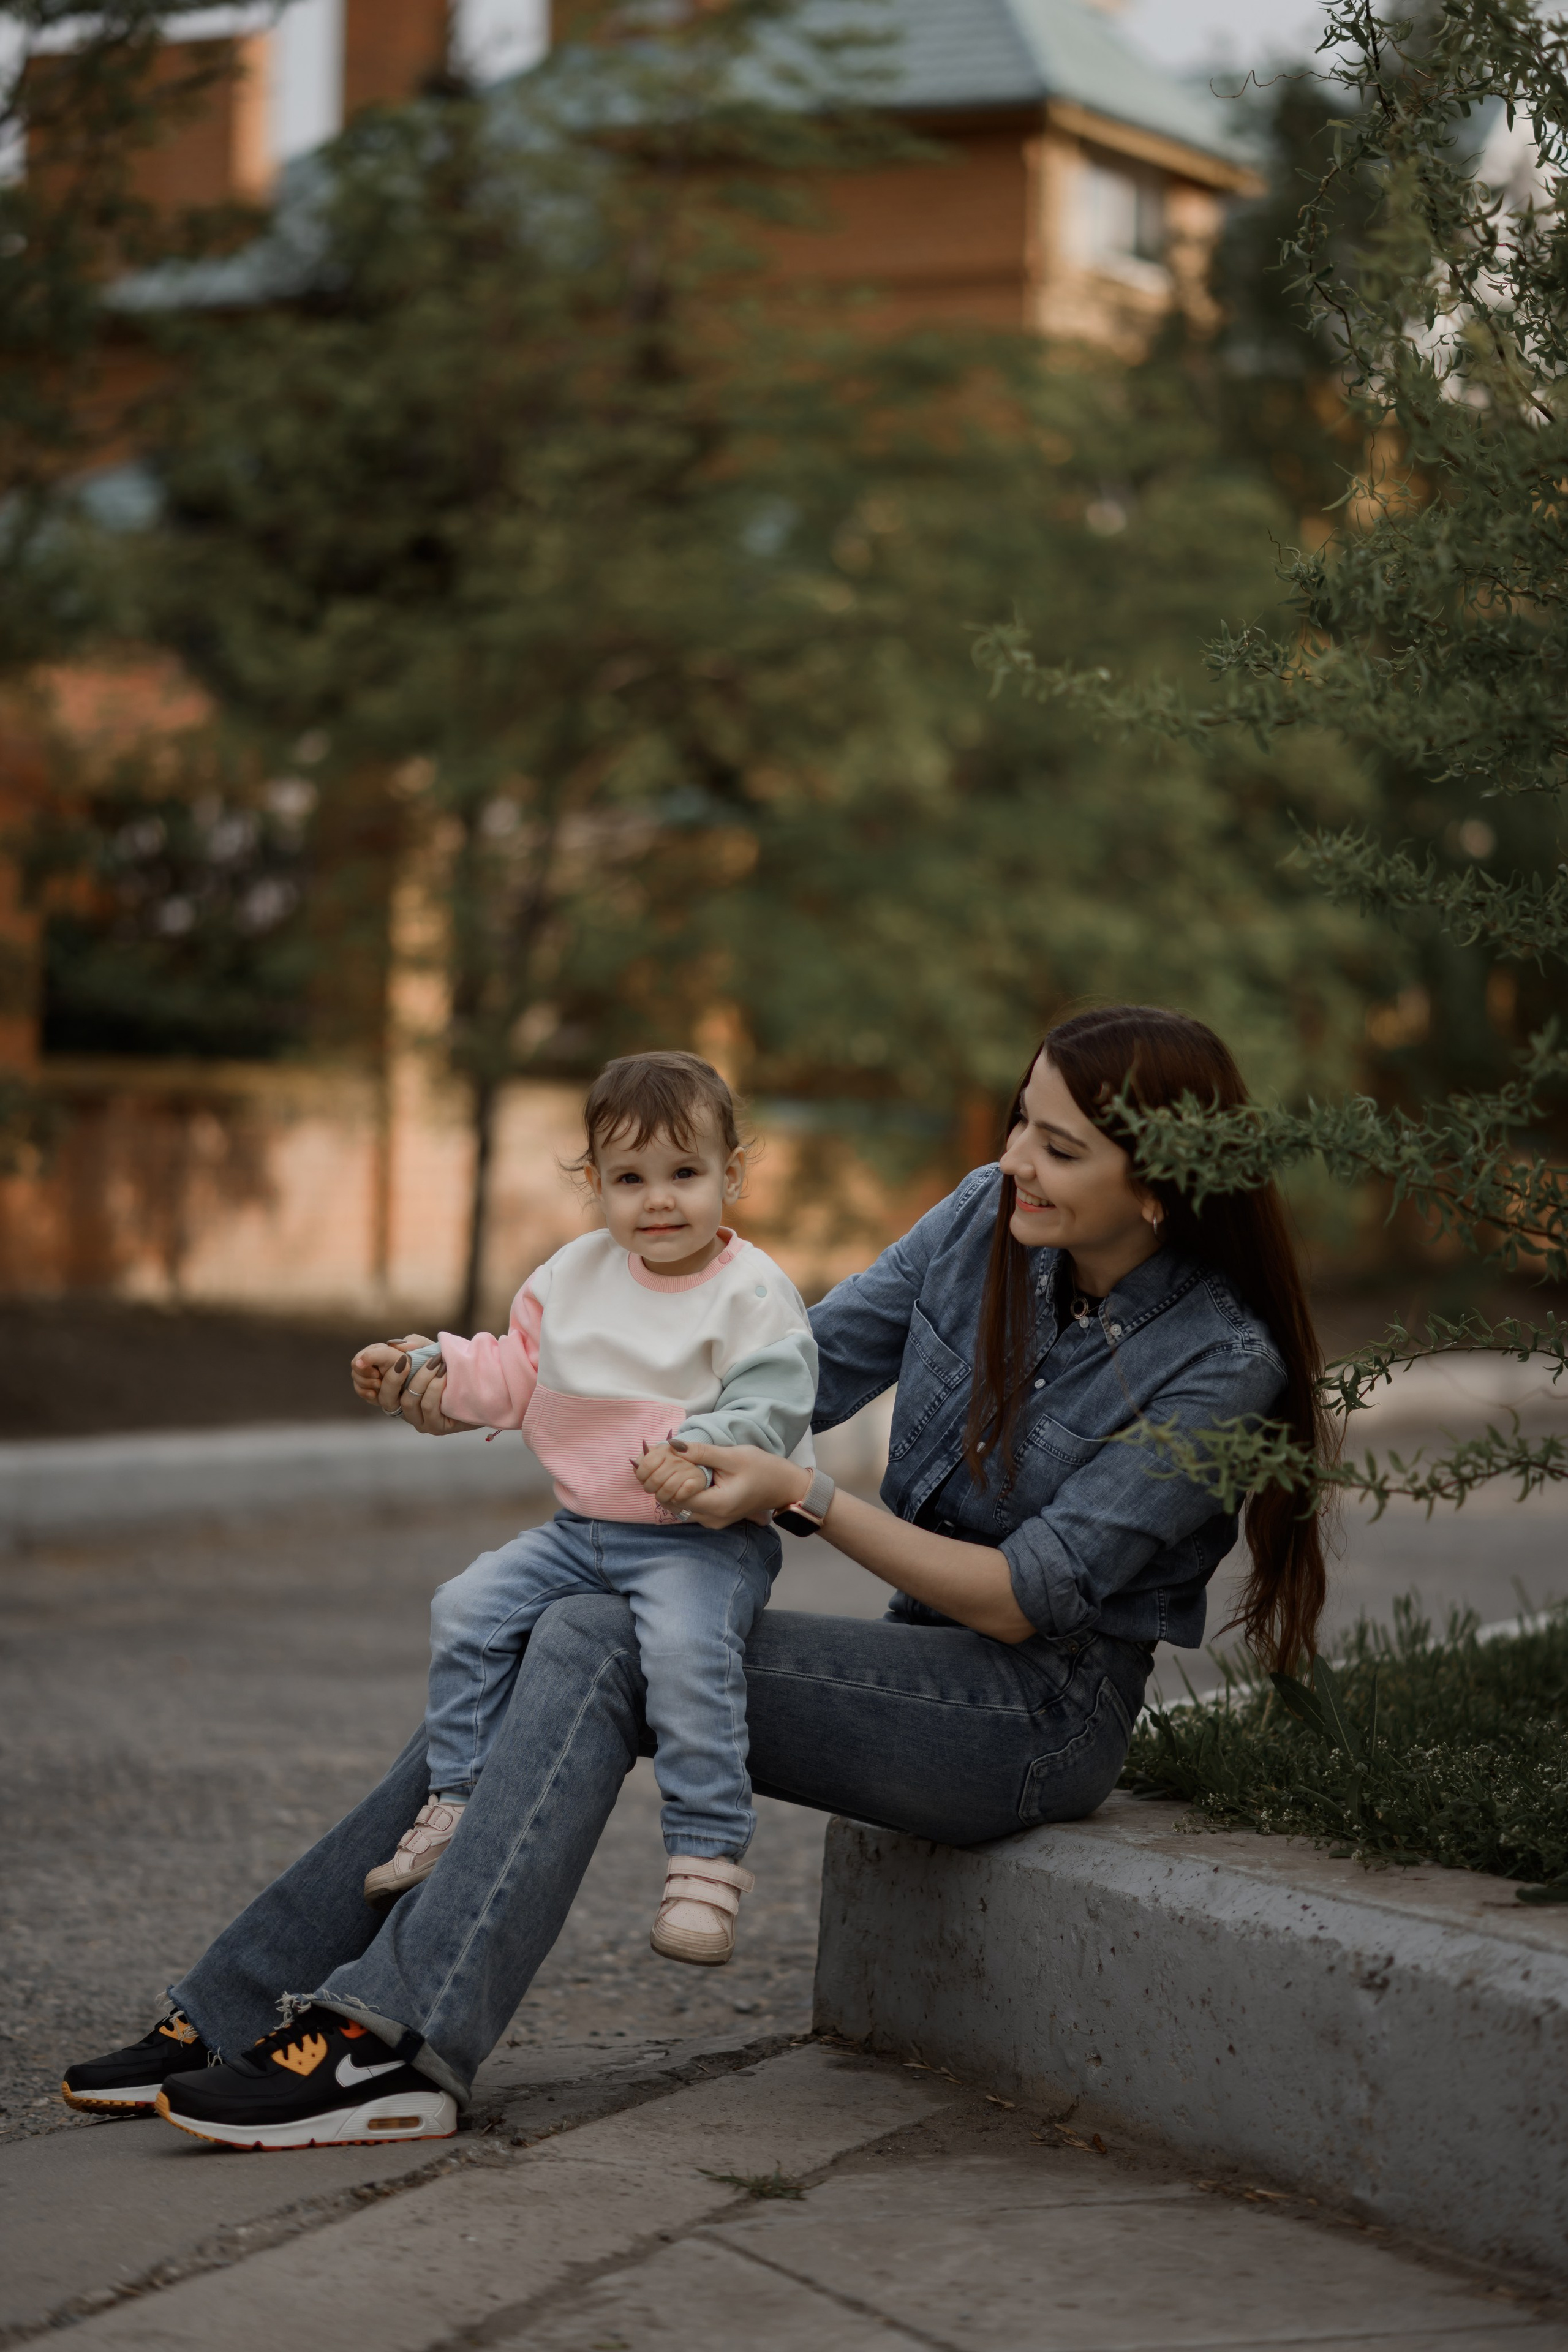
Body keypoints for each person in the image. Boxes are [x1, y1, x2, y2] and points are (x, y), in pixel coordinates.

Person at [60, 1005, 1332, 2152]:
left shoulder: (1221, 1362)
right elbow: (794, 1370)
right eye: (1018, 1124)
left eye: (1057, 1147)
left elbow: (1022, 1595)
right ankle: (235, 2015)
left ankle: (393, 2045)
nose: (1011, 1162)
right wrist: (481, 1391)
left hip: (1030, 1721)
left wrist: (806, 1494)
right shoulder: (978, 1223)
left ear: (1157, 1183)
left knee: (594, 1640)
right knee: (559, 1614)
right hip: (916, 1665)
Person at [349, 1050, 816, 1961]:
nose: (659, 1201)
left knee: (687, 1659)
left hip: (702, 1540)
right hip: (584, 1535)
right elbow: (512, 1371)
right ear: (594, 1183)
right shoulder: (571, 1277)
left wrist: (702, 1458)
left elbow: (772, 1402)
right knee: (468, 1607)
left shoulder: (753, 1291)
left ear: (734, 1174)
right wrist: (424, 1373)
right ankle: (458, 1801)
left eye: (685, 1174)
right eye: (630, 1178)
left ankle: (706, 1861)